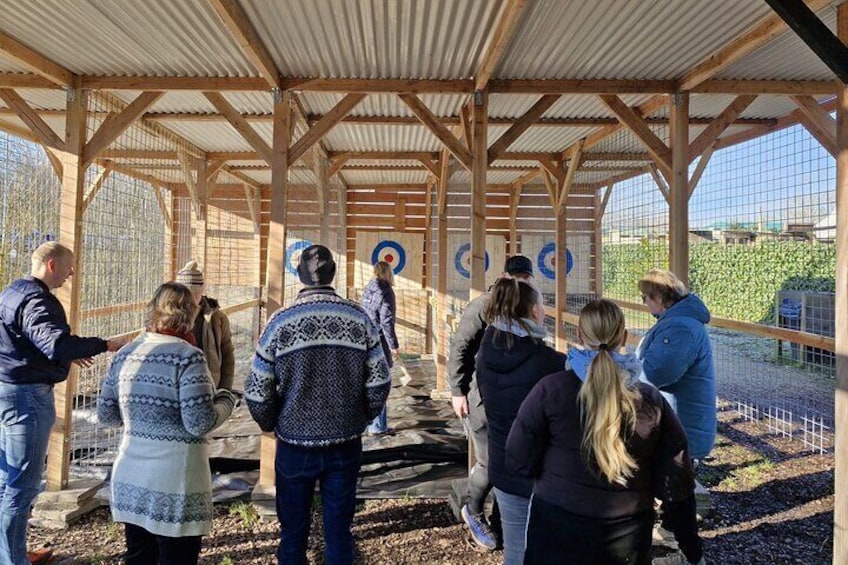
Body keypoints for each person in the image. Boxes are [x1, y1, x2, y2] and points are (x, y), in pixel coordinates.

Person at [506, 299, 704, 565]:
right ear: (623, 336)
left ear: (579, 335)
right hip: (628, 534)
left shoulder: (549, 390)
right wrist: (691, 546)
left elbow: (517, 459)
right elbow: (677, 480)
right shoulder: (650, 401)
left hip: (556, 528)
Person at [245, 244, 390, 565]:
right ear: (333, 274)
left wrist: (272, 423)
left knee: (293, 534)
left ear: (299, 277)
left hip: (294, 446)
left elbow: (256, 392)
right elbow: (380, 381)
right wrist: (363, 417)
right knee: (339, 532)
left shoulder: (279, 322)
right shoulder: (359, 319)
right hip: (345, 444)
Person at [0, 241, 122, 565]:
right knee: (21, 486)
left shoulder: (12, 291)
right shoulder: (38, 299)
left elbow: (26, 341)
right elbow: (53, 342)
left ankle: (10, 552)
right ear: (52, 265)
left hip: (7, 390)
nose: (71, 274)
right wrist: (104, 344)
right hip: (27, 397)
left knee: (5, 481)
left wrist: (69, 349)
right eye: (69, 267)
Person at [98, 282, 236, 565]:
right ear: (190, 314)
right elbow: (199, 423)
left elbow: (107, 416)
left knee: (139, 557)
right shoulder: (188, 357)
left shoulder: (126, 353)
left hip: (131, 474)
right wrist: (226, 400)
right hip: (175, 481)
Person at [447, 255, 534, 551]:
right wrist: (457, 391)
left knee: (507, 461)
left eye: (526, 280)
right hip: (480, 397)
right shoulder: (483, 306)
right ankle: (472, 511)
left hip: (512, 399)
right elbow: (460, 346)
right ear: (506, 277)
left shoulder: (525, 309)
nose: (522, 285)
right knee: (490, 462)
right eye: (518, 280)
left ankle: (501, 518)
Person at [475, 278, 565, 565]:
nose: (544, 310)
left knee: (516, 549)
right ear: (533, 311)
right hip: (543, 472)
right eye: (541, 305)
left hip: (503, 465)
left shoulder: (486, 350)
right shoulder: (548, 362)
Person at [636, 269, 716, 463]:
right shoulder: (678, 322)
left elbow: (655, 374)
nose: (644, 302)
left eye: (645, 297)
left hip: (679, 426)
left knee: (674, 487)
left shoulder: (679, 328)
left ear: (658, 297)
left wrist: (624, 376)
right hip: (678, 423)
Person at [175, 260, 235, 390]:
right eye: (185, 294)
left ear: (201, 292)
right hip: (177, 386)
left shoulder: (218, 318)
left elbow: (228, 355)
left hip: (209, 386)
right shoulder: (166, 318)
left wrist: (225, 390)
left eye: (194, 294)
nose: (189, 299)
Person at [361, 261, 399, 435]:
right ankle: (378, 426)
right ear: (388, 273)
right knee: (381, 382)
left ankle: (368, 423)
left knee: (368, 381)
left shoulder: (368, 288)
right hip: (379, 340)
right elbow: (386, 321)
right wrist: (393, 345)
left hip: (364, 339)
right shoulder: (386, 291)